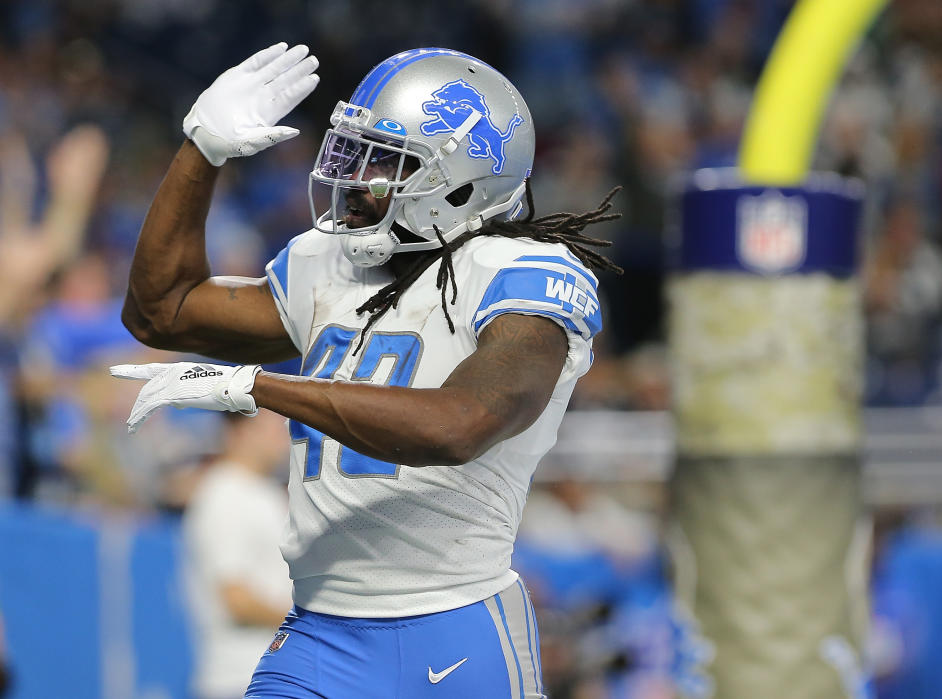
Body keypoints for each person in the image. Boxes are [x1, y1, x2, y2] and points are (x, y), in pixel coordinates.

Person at [112, 43, 620, 698]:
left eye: (384, 162)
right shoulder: (332, 262)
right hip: (319, 632)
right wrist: (200, 151)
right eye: (352, 152)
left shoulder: (522, 273)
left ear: (460, 183)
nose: (354, 176)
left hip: (456, 627)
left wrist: (262, 386)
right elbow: (162, 310)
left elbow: (458, 424)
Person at [182, 411, 292, 699]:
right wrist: (315, 621)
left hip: (273, 675)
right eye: (272, 424)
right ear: (240, 430)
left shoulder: (266, 492)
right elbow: (236, 599)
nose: (284, 433)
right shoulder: (224, 494)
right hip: (240, 679)